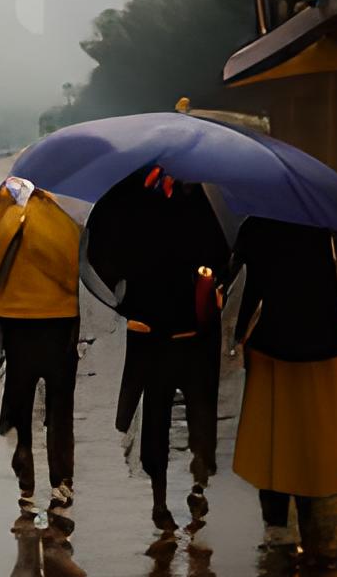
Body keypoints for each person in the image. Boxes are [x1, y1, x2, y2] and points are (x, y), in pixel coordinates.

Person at [86, 167, 230, 533]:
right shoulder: (197, 204)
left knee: (166, 415)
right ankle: (179, 489)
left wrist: (126, 305)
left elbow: (108, 257)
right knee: (183, 413)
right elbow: (219, 259)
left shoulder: (132, 202)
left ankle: (172, 493)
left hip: (161, 334)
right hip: (185, 333)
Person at [226, 212, 337, 553]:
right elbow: (333, 286)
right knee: (309, 433)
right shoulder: (317, 227)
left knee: (272, 435)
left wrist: (237, 337)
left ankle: (277, 523)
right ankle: (310, 517)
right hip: (320, 344)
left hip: (273, 344)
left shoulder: (255, 227)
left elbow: (247, 288)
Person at [0, 176, 81, 514]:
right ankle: (61, 477)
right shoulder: (58, 218)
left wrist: (5, 297)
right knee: (60, 407)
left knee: (21, 396)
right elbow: (73, 268)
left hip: (16, 323)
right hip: (59, 323)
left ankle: (24, 466)